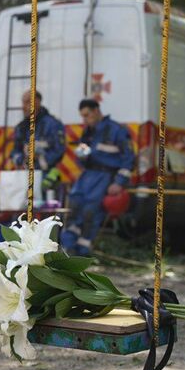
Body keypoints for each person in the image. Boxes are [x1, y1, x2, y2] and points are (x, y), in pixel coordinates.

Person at [60, 99, 134, 255]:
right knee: (73, 208)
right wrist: (81, 156)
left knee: (90, 213)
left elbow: (129, 159)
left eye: (87, 115)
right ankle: (67, 250)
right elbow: (81, 159)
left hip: (105, 177)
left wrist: (119, 182)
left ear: (96, 111)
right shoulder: (88, 132)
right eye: (82, 116)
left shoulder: (117, 130)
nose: (84, 120)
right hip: (87, 175)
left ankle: (82, 254)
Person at [9, 89, 66, 192]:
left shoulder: (53, 125)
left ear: (37, 103)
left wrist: (38, 161)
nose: (23, 107)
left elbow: (59, 151)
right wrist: (21, 160)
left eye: (27, 102)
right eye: (23, 102)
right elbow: (15, 151)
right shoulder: (21, 127)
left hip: (46, 177)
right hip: (25, 176)